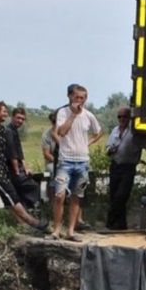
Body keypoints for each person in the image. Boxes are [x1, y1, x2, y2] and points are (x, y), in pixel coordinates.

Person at [0, 101, 48, 233]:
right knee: (10, 196)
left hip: (2, 168)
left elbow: (10, 150)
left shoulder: (1, 129)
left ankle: (25, 225)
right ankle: (33, 222)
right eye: (4, 111)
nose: (6, 114)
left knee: (11, 196)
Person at [49, 84, 102, 241]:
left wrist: (88, 143)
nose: (80, 101)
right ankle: (56, 229)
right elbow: (61, 132)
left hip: (82, 161)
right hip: (66, 161)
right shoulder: (62, 113)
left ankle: (71, 231)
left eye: (83, 98)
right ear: (70, 97)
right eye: (77, 97)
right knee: (59, 195)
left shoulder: (89, 115)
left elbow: (98, 132)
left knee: (77, 196)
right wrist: (72, 115)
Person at [105, 107, 142, 230]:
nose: (122, 119)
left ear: (129, 118)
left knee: (121, 195)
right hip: (115, 165)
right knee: (114, 194)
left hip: (128, 166)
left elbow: (140, 146)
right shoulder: (115, 130)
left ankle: (110, 221)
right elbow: (107, 146)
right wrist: (110, 150)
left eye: (124, 117)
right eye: (119, 117)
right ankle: (121, 224)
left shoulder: (134, 131)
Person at [6, 106, 41, 211]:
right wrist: (18, 171)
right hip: (11, 169)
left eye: (22, 119)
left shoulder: (14, 131)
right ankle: (33, 211)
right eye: (18, 118)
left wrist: (25, 167)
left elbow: (19, 152)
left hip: (15, 168)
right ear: (12, 117)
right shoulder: (8, 131)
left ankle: (28, 214)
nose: (20, 121)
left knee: (21, 193)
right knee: (33, 187)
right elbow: (12, 153)